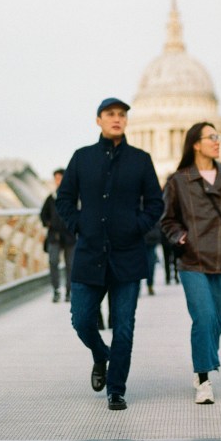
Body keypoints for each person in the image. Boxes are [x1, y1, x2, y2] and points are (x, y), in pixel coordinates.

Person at [56, 97, 163, 411]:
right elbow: (64, 200)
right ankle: (101, 355)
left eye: (121, 114)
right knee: (82, 320)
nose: (116, 119)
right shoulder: (82, 158)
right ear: (98, 120)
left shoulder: (140, 160)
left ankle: (116, 388)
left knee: (124, 326)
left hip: (128, 255)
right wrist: (80, 226)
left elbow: (155, 203)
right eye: (110, 114)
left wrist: (137, 226)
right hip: (89, 253)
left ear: (127, 121)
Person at [161, 122, 221, 404]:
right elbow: (167, 219)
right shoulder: (178, 181)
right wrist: (181, 237)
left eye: (218, 136)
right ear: (196, 144)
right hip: (193, 260)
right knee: (205, 317)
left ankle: (202, 363)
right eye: (212, 137)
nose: (217, 141)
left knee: (218, 318)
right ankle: (204, 378)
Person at [40, 168, 75, 303]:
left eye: (60, 178)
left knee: (70, 265)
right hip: (54, 236)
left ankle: (69, 291)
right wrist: (48, 223)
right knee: (53, 262)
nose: (58, 181)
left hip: (70, 236)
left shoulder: (73, 197)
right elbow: (43, 214)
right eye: (56, 179)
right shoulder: (51, 198)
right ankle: (56, 290)